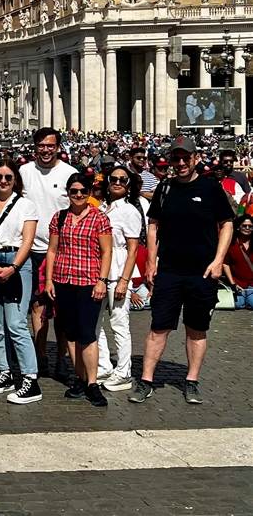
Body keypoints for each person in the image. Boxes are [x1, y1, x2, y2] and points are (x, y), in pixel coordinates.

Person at [129, 135, 235, 406]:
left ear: (195, 158)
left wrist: (218, 260)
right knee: (158, 327)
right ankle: (147, 380)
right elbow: (153, 225)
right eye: (175, 158)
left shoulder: (211, 188)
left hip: (202, 272)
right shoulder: (165, 188)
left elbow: (227, 224)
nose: (180, 163)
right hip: (170, 270)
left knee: (196, 329)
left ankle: (191, 381)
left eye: (185, 157)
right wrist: (151, 262)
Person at [0, 159, 42, 404]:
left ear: (15, 180)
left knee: (16, 323)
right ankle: (5, 372)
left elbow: (28, 240)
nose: (3, 181)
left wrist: (13, 267)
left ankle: (30, 379)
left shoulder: (26, 205)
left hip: (17, 262)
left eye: (8, 177)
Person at [44, 174, 112, 407]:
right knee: (70, 333)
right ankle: (80, 378)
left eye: (83, 191)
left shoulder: (99, 218)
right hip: (64, 279)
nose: (79, 195)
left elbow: (106, 252)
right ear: (68, 193)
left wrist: (102, 280)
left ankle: (92, 383)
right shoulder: (60, 217)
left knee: (87, 333)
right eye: (74, 191)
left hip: (89, 281)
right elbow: (52, 250)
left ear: (89, 192)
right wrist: (49, 280)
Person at [19, 127, 78, 374]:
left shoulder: (70, 173)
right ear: (35, 147)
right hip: (31, 248)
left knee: (62, 308)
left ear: (58, 147)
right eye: (41, 145)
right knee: (37, 305)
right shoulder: (23, 172)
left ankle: (61, 357)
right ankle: (41, 354)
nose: (46, 150)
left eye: (50, 145)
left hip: (62, 249)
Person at [95, 168, 143, 392]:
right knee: (96, 323)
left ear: (129, 185)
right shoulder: (102, 207)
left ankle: (124, 371)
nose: (117, 182)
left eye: (122, 180)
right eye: (113, 179)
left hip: (119, 269)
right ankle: (103, 365)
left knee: (119, 323)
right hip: (99, 271)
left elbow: (133, 249)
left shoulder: (130, 211)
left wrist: (125, 280)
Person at [223, 216, 253, 309]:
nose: (247, 228)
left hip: (252, 284)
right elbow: (225, 263)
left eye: (250, 226)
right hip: (238, 284)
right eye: (244, 226)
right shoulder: (231, 244)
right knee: (238, 304)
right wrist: (233, 283)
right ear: (238, 227)